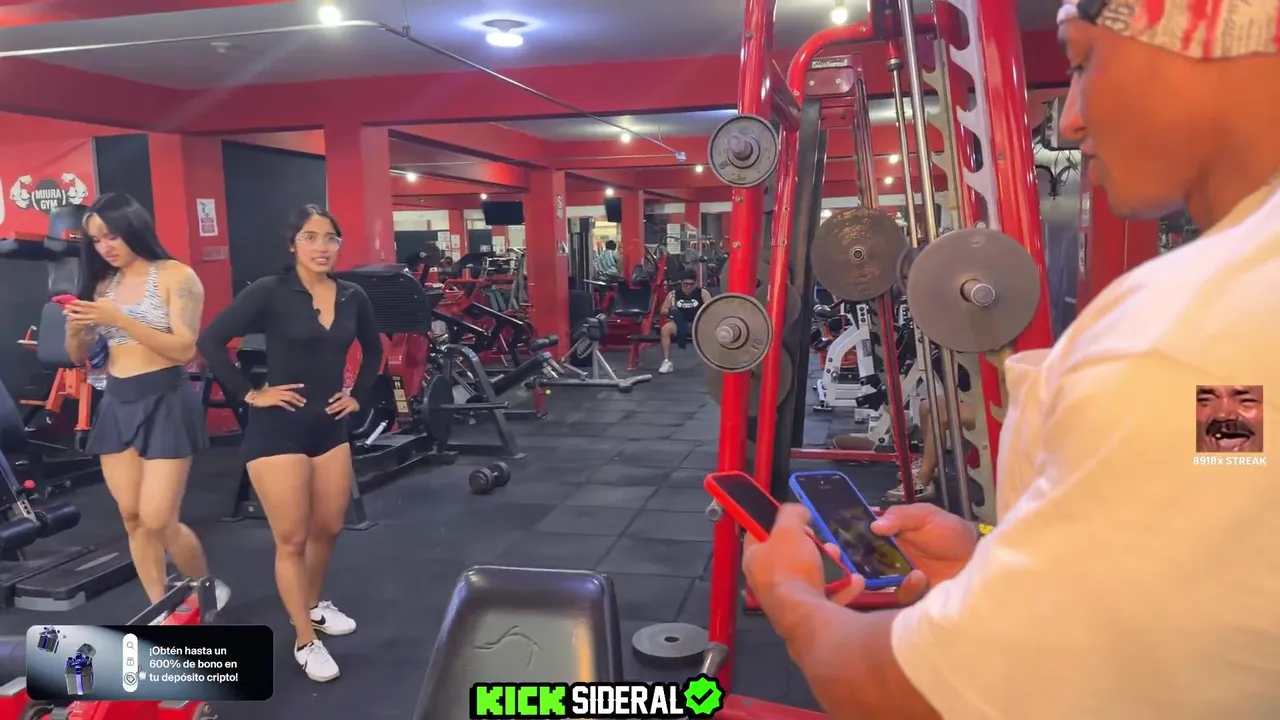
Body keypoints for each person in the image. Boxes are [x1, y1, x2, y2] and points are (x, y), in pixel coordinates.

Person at [742, 2, 1280, 717]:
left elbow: (906, 697)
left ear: (1206, 43)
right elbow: (1218, 536)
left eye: (1084, 61)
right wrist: (990, 558)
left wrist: (788, 592)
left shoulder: (1180, 352)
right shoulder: (1233, 338)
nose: (1070, 121)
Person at [196, 205, 382, 683]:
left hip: (329, 427)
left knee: (330, 528)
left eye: (330, 238)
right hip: (277, 429)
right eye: (310, 237)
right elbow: (212, 340)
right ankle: (305, 639)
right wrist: (250, 393)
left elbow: (374, 349)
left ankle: (313, 604)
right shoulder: (270, 291)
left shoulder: (353, 295)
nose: (321, 246)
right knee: (293, 539)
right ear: (292, 245)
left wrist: (358, 396)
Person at [62, 193, 228, 615]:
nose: (105, 247)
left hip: (166, 398)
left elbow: (183, 350)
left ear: (133, 229)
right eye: (96, 240)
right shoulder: (103, 285)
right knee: (133, 518)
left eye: (112, 236)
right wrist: (75, 330)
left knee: (159, 519)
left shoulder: (176, 276)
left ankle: (205, 587)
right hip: (118, 401)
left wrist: (120, 319)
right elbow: (79, 358)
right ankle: (161, 607)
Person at [657, 269, 711, 374]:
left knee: (714, 330)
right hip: (680, 323)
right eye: (686, 284)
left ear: (695, 283)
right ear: (681, 283)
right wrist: (673, 312)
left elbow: (711, 308)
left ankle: (712, 362)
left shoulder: (703, 293)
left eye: (691, 284)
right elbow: (663, 310)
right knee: (665, 329)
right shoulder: (673, 294)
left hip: (697, 324)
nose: (688, 286)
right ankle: (666, 362)